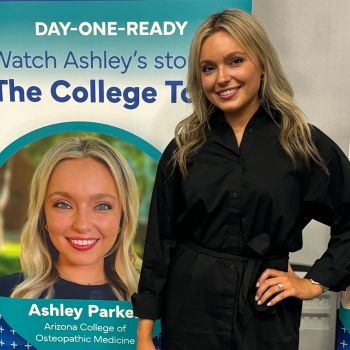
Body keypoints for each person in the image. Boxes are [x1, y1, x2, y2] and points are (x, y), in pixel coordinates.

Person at [131, 8, 350, 350]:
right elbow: (161, 244)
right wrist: (144, 333)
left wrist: (315, 282)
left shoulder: (301, 143)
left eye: (235, 61)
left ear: (261, 65)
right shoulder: (185, 149)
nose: (222, 78)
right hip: (191, 311)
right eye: (208, 68)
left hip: (266, 312)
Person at [0, 136, 139, 300]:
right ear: (43, 214)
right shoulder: (7, 295)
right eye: (63, 204)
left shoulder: (155, 304)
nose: (82, 225)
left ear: (123, 217)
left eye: (102, 206)